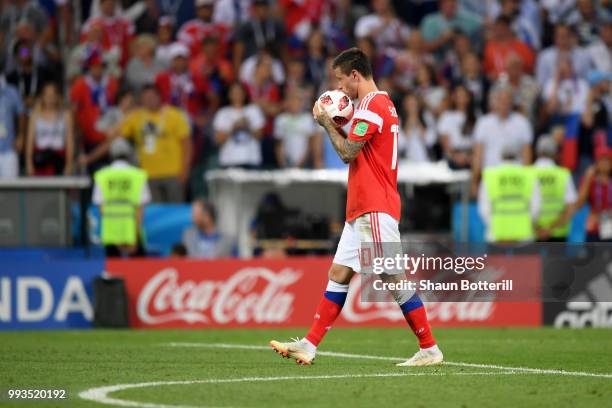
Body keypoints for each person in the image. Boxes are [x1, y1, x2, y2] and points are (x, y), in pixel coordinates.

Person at [269, 48, 443, 367]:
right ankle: (309, 344)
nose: (338, 89)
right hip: (362, 207)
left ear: (355, 75)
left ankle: (430, 348)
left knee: (393, 278)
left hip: (375, 206)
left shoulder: (372, 105)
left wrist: (326, 122)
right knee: (338, 273)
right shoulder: (375, 106)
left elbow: (349, 151)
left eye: (340, 81)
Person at [120, 83, 192, 203]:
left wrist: (185, 169)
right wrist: (126, 111)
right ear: (141, 100)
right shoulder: (136, 116)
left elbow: (187, 144)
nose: (150, 101)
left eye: (152, 97)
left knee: (174, 210)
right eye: (146, 98)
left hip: (173, 173)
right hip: (148, 174)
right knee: (154, 213)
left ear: (160, 97)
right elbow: (117, 134)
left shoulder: (174, 115)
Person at [470, 85, 533, 196]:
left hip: (515, 179)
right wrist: (475, 181)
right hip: (491, 178)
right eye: (501, 99)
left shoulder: (522, 123)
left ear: (512, 102)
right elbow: (477, 155)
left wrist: (526, 180)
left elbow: (527, 156)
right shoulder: (483, 123)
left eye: (507, 99)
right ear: (495, 102)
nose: (504, 103)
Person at [92, 138, 150, 257]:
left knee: (113, 272)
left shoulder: (102, 176)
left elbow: (101, 207)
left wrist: (115, 235)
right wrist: (135, 234)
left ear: (111, 155)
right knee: (139, 272)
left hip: (111, 234)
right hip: (131, 232)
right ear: (129, 155)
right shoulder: (138, 175)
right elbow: (140, 208)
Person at [478, 144, 541, 243]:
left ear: (501, 156)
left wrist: (495, 227)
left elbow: (484, 208)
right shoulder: (528, 174)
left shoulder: (490, 175)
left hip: (496, 235)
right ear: (518, 155)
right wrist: (528, 224)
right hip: (524, 236)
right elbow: (536, 207)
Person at [533, 137, 577, 242]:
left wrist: (538, 229)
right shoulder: (563, 174)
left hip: (533, 232)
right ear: (555, 153)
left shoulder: (527, 174)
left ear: (537, 152)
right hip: (558, 233)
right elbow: (571, 207)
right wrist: (550, 229)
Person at [213, 81, 265, 168]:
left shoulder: (254, 110)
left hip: (251, 160)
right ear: (229, 94)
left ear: (245, 94)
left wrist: (247, 127)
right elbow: (218, 140)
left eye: (240, 92)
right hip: (229, 161)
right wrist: (234, 128)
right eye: (234, 92)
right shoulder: (222, 113)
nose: (237, 95)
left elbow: (260, 136)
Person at [26, 82, 74, 176]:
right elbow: (30, 142)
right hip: (40, 159)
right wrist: (29, 163)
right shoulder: (35, 115)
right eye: (47, 96)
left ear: (57, 97)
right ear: (42, 97)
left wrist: (69, 164)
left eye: (53, 96)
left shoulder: (66, 115)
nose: (50, 99)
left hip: (59, 159)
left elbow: (69, 142)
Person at [274, 87, 322, 169]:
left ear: (301, 102)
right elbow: (278, 144)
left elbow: (310, 143)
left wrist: (301, 163)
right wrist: (283, 164)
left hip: (304, 163)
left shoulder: (308, 119)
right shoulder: (281, 119)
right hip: (286, 163)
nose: (294, 103)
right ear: (286, 102)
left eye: (297, 100)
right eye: (291, 100)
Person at [575, 147, 612, 242]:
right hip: (593, 227)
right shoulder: (590, 180)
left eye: (607, 160)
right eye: (601, 160)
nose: (604, 164)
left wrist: (603, 216)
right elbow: (579, 204)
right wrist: (587, 179)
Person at [438, 84, 477, 169]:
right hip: (453, 156)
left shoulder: (476, 117)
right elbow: (445, 142)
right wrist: (455, 156)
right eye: (458, 95)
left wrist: (470, 156)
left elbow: (478, 141)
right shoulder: (447, 116)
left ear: (468, 98)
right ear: (454, 98)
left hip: (471, 156)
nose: (461, 98)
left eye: (463, 95)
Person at [0, 73, 25, 178]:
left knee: (11, 190)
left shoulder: (12, 92)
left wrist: (20, 136)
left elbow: (21, 114)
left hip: (8, 149)